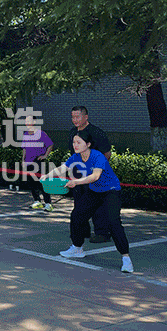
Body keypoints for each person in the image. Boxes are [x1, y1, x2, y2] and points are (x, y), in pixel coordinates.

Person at [42, 129, 133, 273]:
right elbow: (63, 168)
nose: (75, 145)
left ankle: (126, 258)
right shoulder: (76, 157)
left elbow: (95, 176)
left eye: (78, 142)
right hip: (94, 191)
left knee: (113, 222)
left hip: (110, 191)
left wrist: (76, 182)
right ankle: (77, 248)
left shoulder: (98, 156)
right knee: (77, 215)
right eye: (74, 142)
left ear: (88, 144)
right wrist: (47, 175)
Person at [68, 106, 112, 242]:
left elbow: (107, 153)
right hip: (78, 175)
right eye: (73, 117)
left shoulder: (96, 132)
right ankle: (82, 231)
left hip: (94, 176)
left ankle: (102, 233)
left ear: (86, 117)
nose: (75, 120)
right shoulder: (72, 132)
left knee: (97, 205)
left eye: (78, 116)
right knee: (79, 203)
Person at [21, 116, 54, 211]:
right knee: (32, 183)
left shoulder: (41, 134)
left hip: (38, 161)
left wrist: (45, 156)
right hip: (28, 162)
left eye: (29, 121)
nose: (27, 123)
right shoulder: (26, 134)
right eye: (26, 121)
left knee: (42, 182)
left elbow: (50, 145)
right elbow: (24, 148)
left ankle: (48, 203)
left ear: (34, 122)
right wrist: (23, 160)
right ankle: (37, 201)